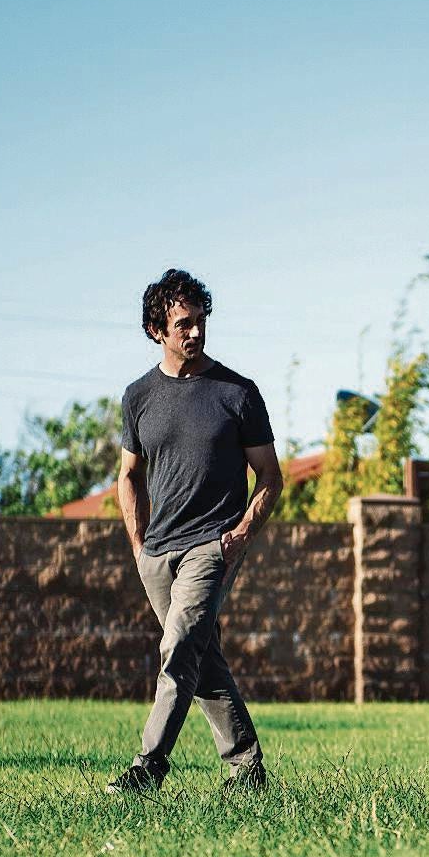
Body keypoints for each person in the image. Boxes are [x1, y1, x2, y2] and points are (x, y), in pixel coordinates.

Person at [106, 269, 282, 793]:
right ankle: (247, 769)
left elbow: (271, 476)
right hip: (158, 551)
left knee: (179, 647)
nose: (196, 333)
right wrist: (139, 547)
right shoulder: (138, 396)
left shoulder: (238, 393)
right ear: (157, 330)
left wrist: (242, 532)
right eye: (184, 324)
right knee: (200, 655)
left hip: (214, 543)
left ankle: (148, 766)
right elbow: (128, 477)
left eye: (201, 321)